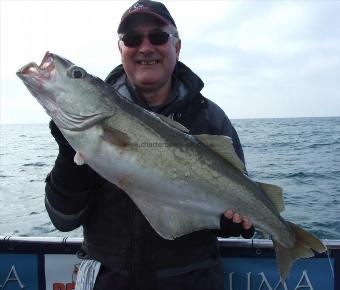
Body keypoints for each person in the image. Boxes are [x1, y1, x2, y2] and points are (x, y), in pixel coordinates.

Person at [45, 1, 255, 289]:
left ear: (177, 47)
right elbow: (63, 220)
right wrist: (70, 155)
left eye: (158, 37)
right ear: (121, 50)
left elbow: (240, 198)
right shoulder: (90, 122)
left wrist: (235, 221)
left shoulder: (212, 120)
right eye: (132, 39)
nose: (145, 47)